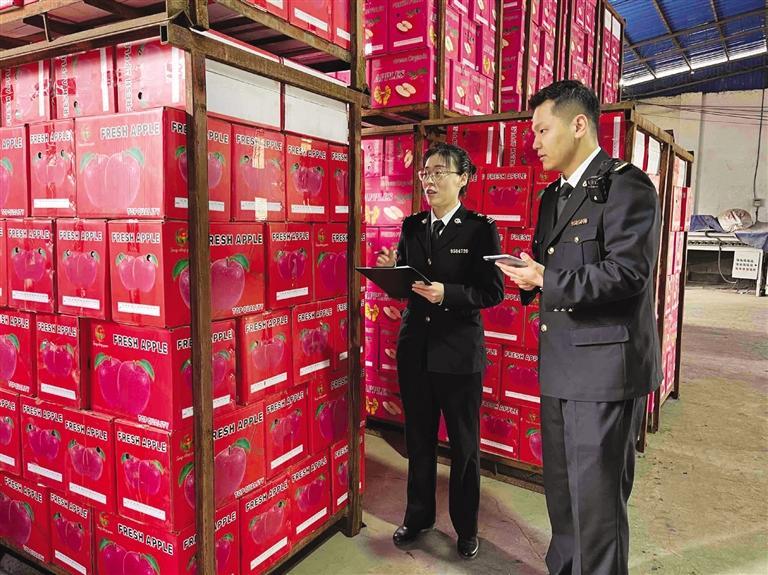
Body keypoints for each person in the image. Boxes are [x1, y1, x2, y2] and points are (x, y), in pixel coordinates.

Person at [496, 80, 661, 575]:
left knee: (597, 507)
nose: (534, 142)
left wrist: (547, 279)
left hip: (605, 372)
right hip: (561, 367)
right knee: (563, 497)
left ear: (579, 125)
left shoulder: (626, 186)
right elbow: (554, 269)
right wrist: (527, 276)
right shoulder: (554, 196)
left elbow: (628, 273)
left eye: (542, 130)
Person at [376, 143, 504, 560]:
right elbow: (406, 281)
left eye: (438, 173)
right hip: (416, 349)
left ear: (462, 179)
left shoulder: (480, 229)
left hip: (459, 353)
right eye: (425, 173)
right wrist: (390, 273)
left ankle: (466, 528)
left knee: (464, 447)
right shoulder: (413, 226)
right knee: (418, 440)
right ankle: (418, 517)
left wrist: (447, 293)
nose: (429, 181)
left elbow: (492, 291)